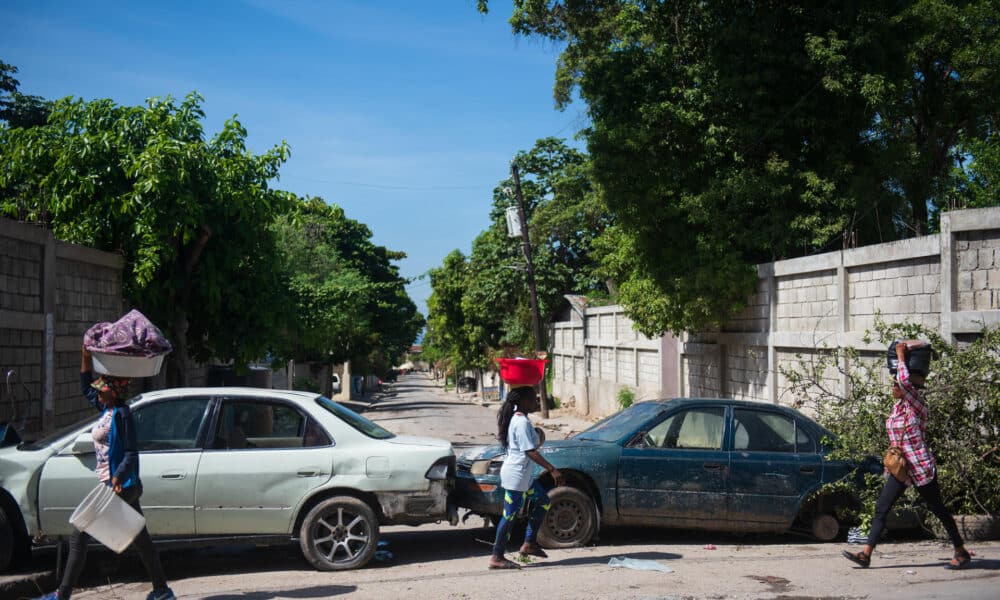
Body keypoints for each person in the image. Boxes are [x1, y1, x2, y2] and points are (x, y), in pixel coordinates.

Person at [34, 347, 176, 600]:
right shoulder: (106, 409)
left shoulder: (122, 415)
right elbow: (85, 386)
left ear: (115, 391)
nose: (98, 392)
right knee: (141, 539)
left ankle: (61, 596)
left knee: (79, 533)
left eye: (103, 389)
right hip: (119, 485)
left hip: (121, 486)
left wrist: (117, 477)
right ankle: (162, 590)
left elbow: (132, 453)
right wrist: (85, 357)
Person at [842, 340, 971, 570]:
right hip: (901, 469)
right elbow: (895, 439)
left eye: (895, 384)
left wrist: (901, 356)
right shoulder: (897, 408)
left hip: (920, 467)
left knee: (937, 508)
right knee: (882, 507)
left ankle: (960, 551)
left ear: (906, 387)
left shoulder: (918, 405)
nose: (893, 386)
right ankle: (866, 554)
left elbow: (904, 378)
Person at [488, 386, 565, 570]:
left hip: (524, 476)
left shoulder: (523, 419)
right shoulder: (520, 421)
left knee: (543, 500)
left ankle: (529, 543)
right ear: (523, 401)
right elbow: (529, 451)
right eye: (533, 399)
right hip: (515, 476)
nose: (536, 402)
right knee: (509, 516)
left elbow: (531, 444)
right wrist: (552, 469)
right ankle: (497, 556)